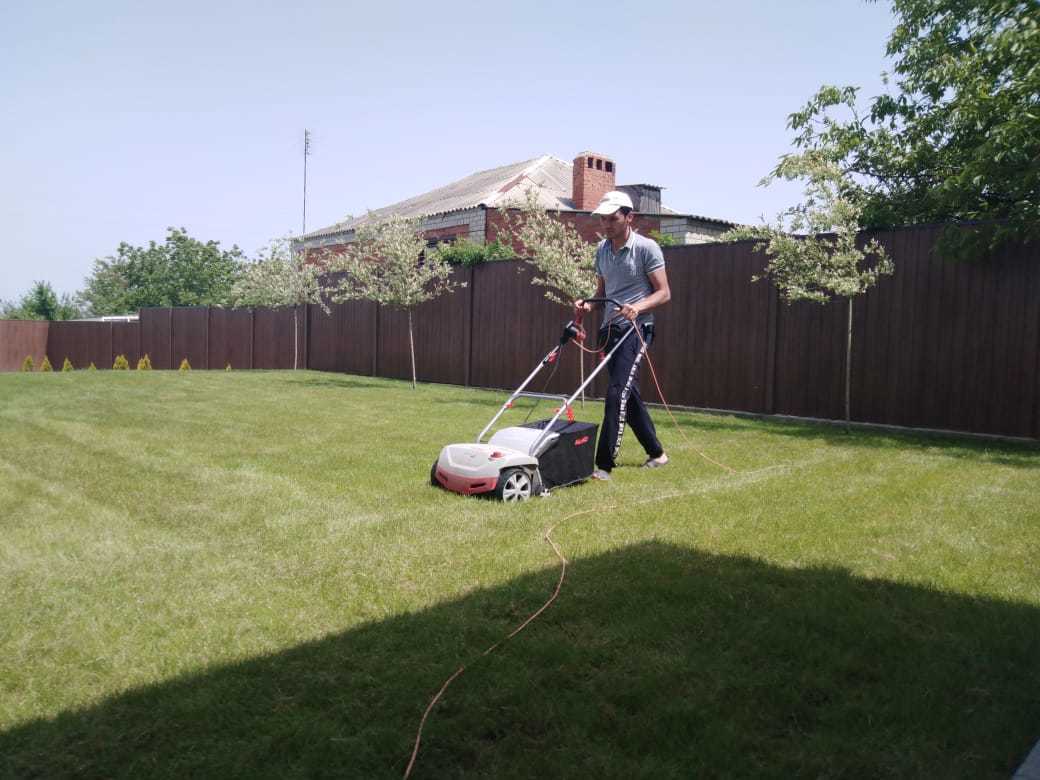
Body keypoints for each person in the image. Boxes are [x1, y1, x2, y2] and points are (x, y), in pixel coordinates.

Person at [576, 190, 671, 481]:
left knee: (617, 393)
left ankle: (603, 464)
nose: (607, 225)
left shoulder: (647, 248)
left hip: (638, 329)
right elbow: (602, 293)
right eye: (603, 220)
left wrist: (638, 307)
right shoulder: (602, 250)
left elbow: (664, 293)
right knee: (628, 396)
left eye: (613, 219)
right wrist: (588, 304)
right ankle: (657, 453)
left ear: (629, 217)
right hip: (609, 331)